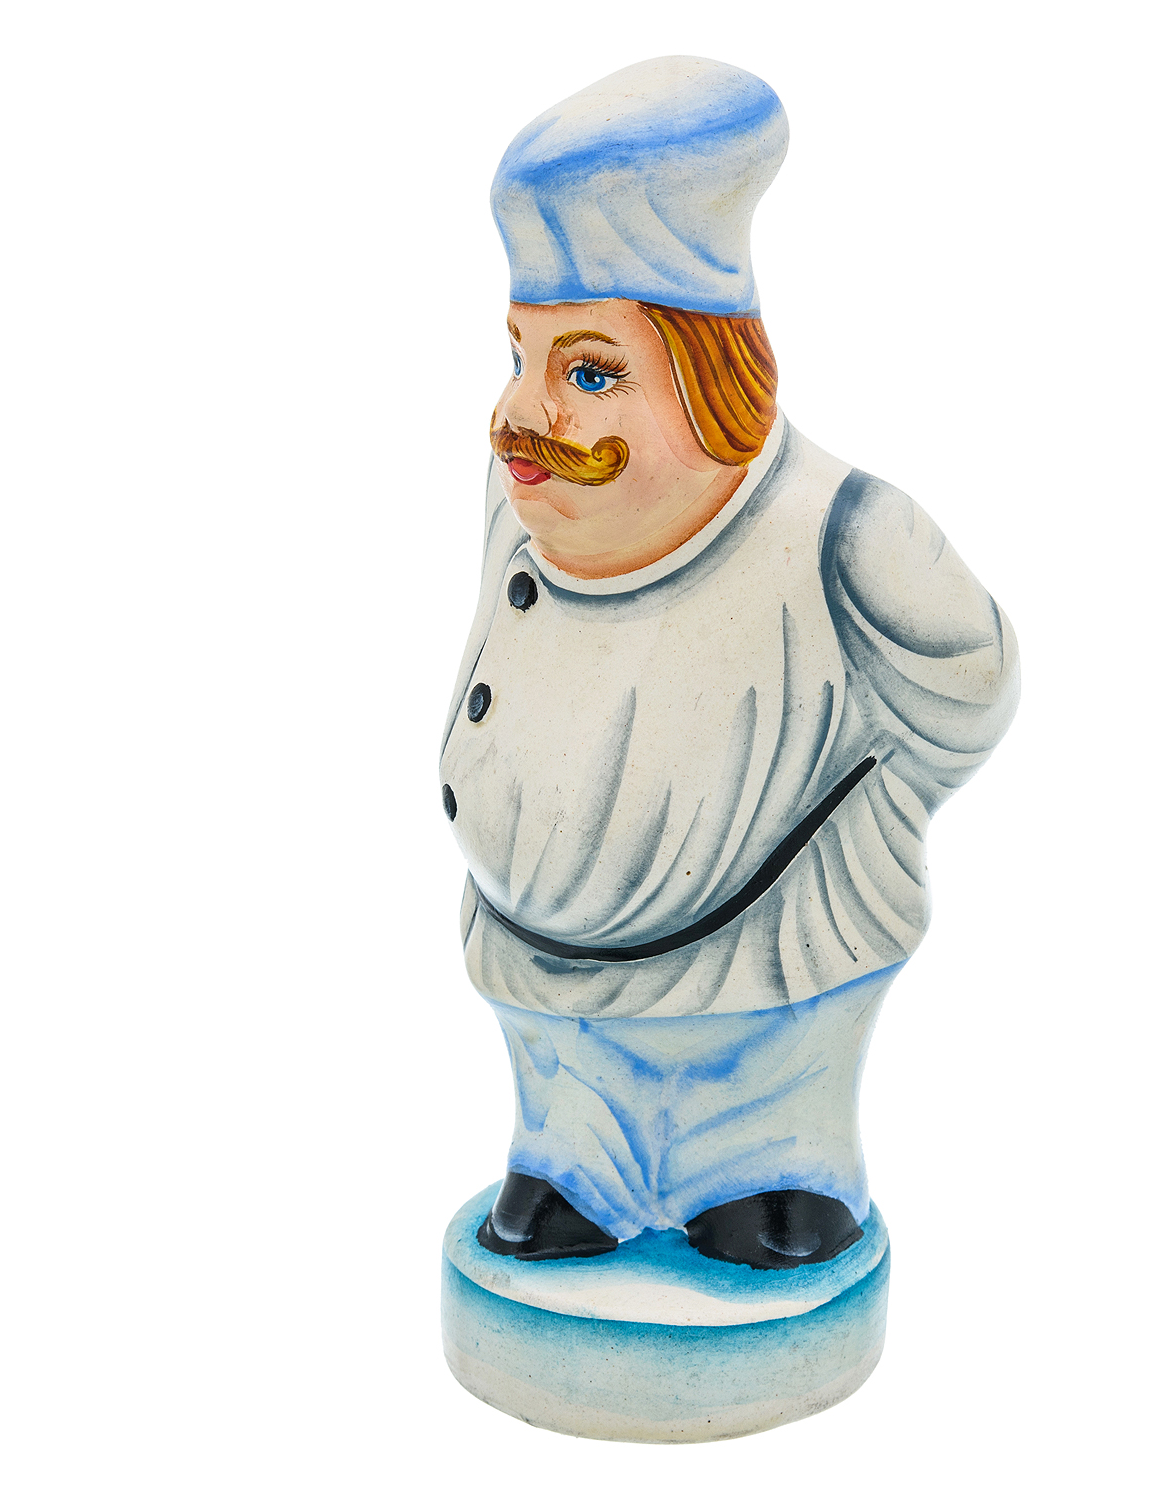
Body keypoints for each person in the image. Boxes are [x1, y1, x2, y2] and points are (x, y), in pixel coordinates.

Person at [439, 57, 1019, 1268]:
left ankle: (769, 1169)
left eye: (591, 372)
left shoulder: (844, 534)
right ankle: (575, 1162)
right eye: (521, 356)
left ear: (716, 386)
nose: (525, 412)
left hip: (772, 956)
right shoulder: (516, 495)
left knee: (767, 1101)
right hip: (537, 964)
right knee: (561, 1110)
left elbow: (970, 689)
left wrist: (860, 811)